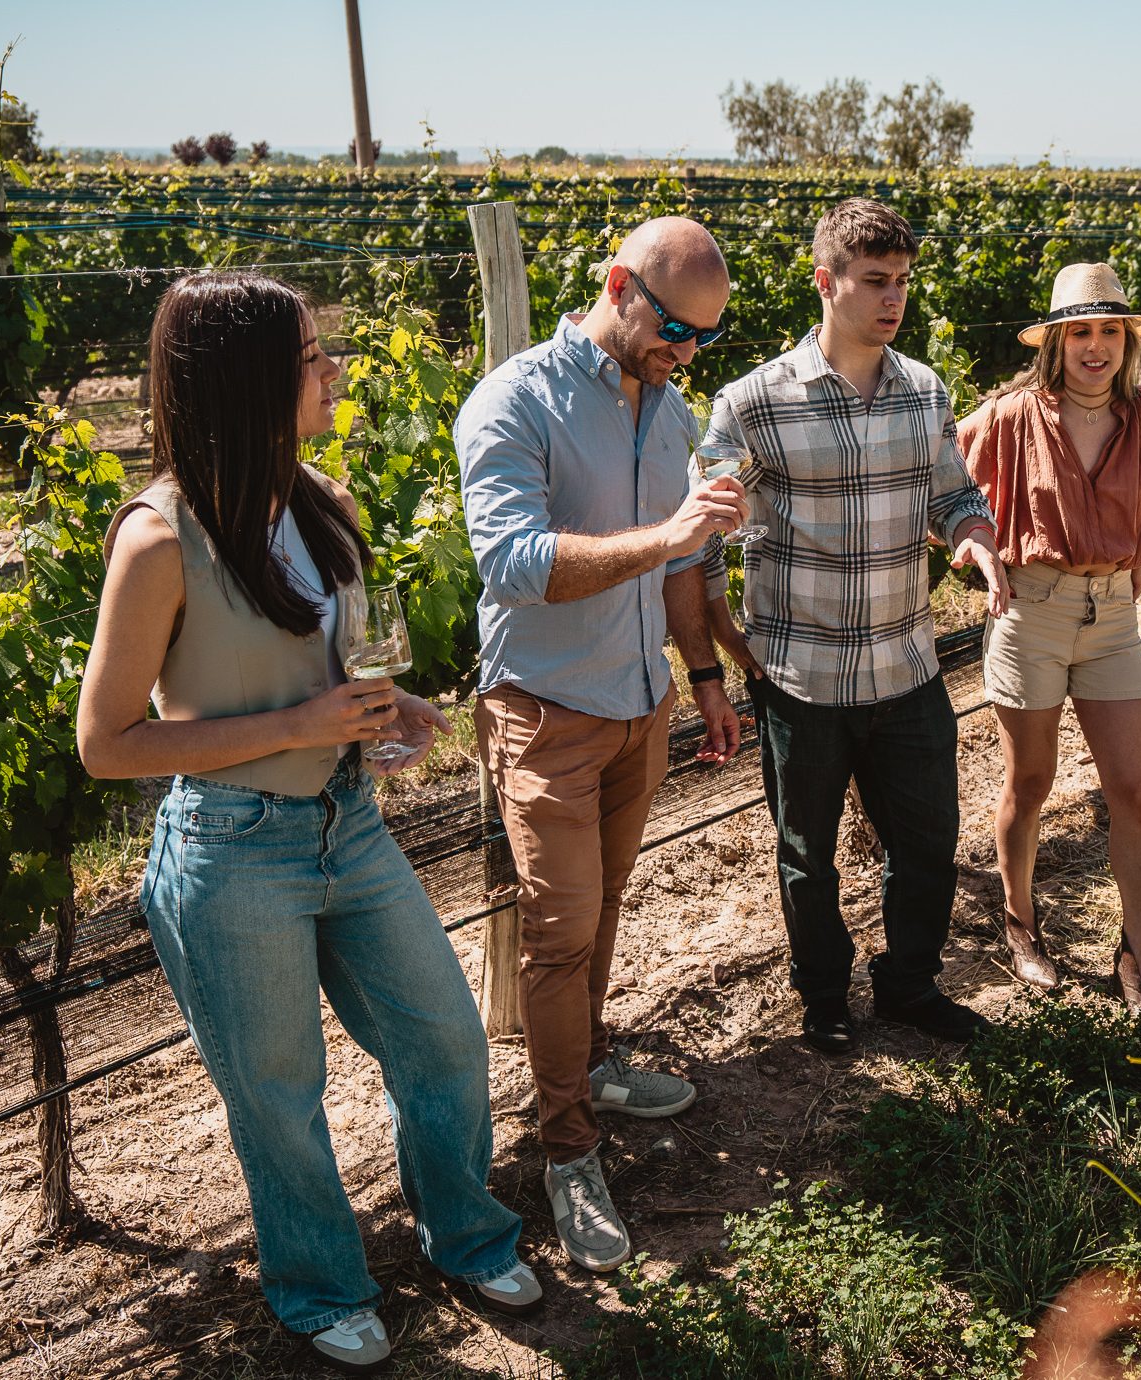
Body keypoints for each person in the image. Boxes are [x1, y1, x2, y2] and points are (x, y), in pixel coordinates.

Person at [79, 271, 537, 1375]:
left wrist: (388, 711)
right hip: (234, 850)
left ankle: (464, 1236)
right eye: (310, 357)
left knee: (442, 1038)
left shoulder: (316, 498)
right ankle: (319, 1285)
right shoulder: (158, 539)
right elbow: (108, 745)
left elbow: (333, 671)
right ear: (246, 382)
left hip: (348, 823)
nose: (331, 371)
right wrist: (303, 719)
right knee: (280, 1097)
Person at [455, 217, 749, 1277]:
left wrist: (703, 677)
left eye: (706, 339)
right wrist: (669, 537)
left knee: (608, 905)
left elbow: (680, 566)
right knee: (557, 936)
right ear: (618, 286)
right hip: (546, 714)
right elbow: (514, 563)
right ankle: (567, 1150)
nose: (687, 353)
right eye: (674, 328)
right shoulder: (514, 401)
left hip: (640, 703)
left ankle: (588, 1064)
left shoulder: (668, 406)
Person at [701, 198, 1011, 1055]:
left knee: (930, 845)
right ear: (825, 281)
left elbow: (953, 496)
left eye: (903, 281)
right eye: (875, 281)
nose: (893, 299)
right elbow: (700, 531)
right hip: (802, 680)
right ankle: (826, 999)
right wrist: (724, 642)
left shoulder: (924, 391)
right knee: (810, 856)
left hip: (909, 668)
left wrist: (977, 542)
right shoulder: (753, 402)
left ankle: (910, 985)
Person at [958, 262, 1141, 1009]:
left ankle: (1136, 955)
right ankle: (1022, 925)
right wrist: (977, 547)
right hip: (1029, 613)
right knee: (1030, 784)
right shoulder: (1009, 417)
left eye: (1110, 331)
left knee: (1133, 791)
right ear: (1057, 342)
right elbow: (946, 486)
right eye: (1081, 333)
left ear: (1127, 341)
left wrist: (1137, 544)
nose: (1095, 347)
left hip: (1114, 621)